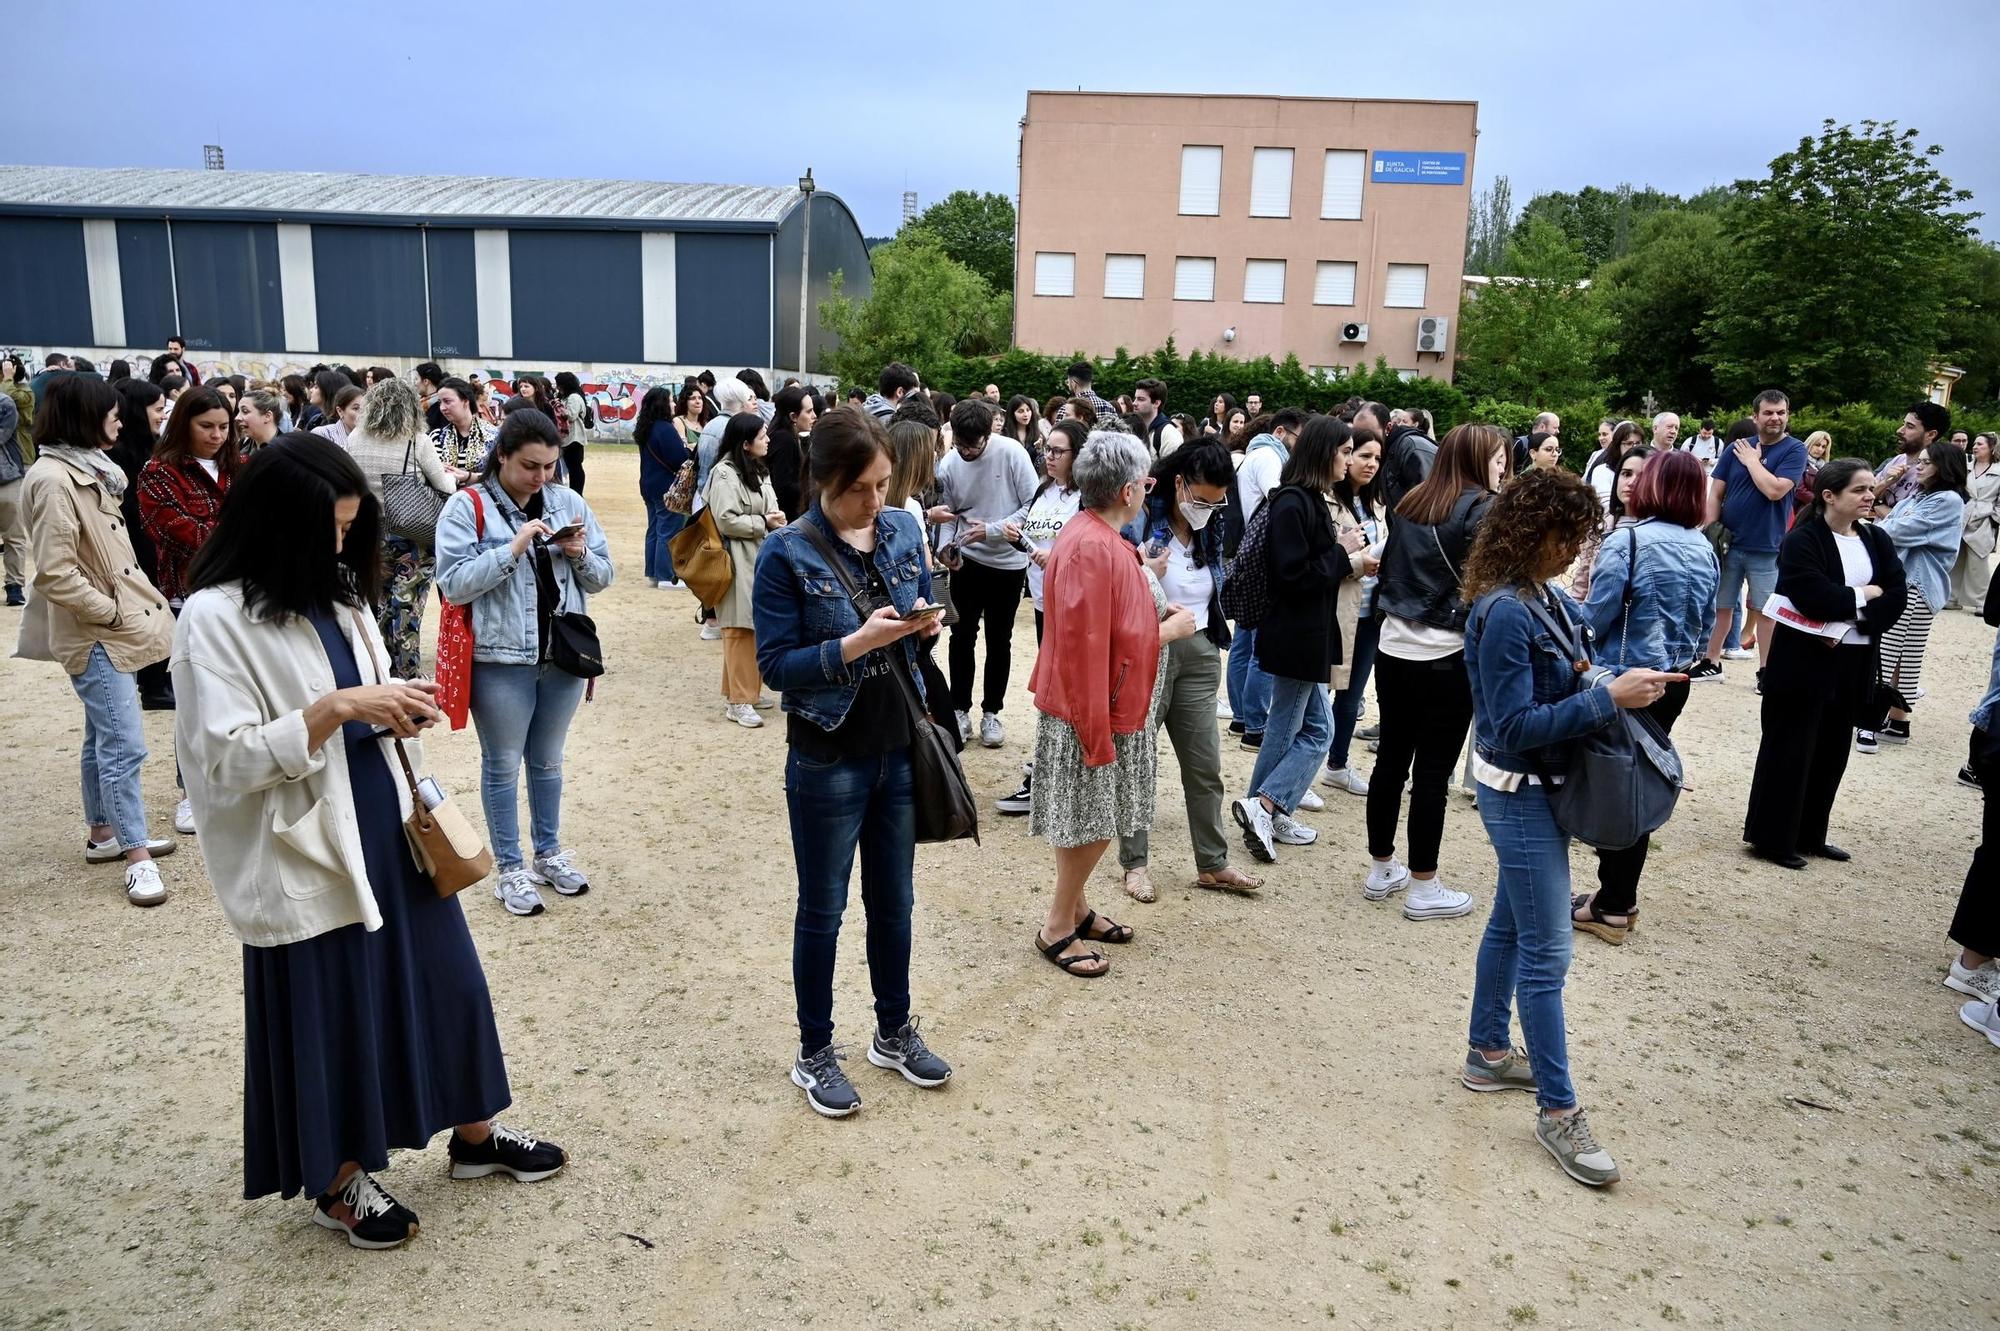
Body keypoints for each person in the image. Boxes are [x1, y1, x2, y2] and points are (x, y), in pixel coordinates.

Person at [172, 436, 564, 1247]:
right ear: (280, 524)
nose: (343, 544)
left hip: (390, 824)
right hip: (308, 841)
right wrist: (338, 710)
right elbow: (221, 758)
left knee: (448, 981)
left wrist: (398, 710)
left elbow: (363, 702)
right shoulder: (213, 618)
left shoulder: (340, 597)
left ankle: (475, 1135)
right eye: (332, 529)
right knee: (332, 1008)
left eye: (351, 527)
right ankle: (339, 1178)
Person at [1459, 466, 1685, 1189]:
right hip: (1517, 788)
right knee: (1548, 953)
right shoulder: (1505, 611)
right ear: (1532, 532)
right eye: (1567, 536)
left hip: (1538, 788)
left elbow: (1559, 684)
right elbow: (1508, 726)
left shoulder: (1540, 598)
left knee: (1512, 925)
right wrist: (1606, 697)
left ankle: (1488, 1052)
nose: (1574, 550)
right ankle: (1559, 1110)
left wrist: (1620, 678)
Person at [749, 406, 952, 1117]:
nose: (876, 500)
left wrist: (924, 623)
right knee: (824, 909)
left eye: (884, 483)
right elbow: (775, 667)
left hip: (897, 744)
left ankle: (893, 1032)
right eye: (862, 487)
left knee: (894, 902)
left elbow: (910, 635)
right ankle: (814, 1051)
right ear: (825, 479)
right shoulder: (787, 553)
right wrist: (856, 644)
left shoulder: (900, 528)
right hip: (827, 753)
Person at [435, 409, 613, 916]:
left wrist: (577, 553)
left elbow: (603, 576)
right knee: (502, 763)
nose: (542, 477)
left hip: (563, 654)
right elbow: (453, 583)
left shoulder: (567, 501)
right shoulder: (467, 505)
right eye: (530, 466)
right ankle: (510, 869)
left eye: (550, 465)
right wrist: (511, 549)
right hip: (500, 658)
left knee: (549, 760)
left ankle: (549, 854)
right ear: (502, 457)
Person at [1029, 431, 1194, 978]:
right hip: (1096, 709)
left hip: (1105, 704)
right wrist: (1167, 631)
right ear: (1128, 490)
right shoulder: (1092, 547)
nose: (1149, 491)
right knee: (1097, 818)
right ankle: (1057, 924)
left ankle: (1073, 908)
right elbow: (1087, 646)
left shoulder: (1096, 536)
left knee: (1087, 817)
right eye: (1146, 482)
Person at [16, 374, 178, 905]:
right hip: (96, 633)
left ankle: (104, 835)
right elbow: (56, 572)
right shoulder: (55, 479)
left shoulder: (88, 470)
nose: (119, 419)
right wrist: (109, 613)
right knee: (123, 743)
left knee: (101, 737)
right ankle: (135, 855)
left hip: (108, 627)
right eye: (110, 412)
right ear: (84, 416)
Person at [1569, 450, 1718, 943]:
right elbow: (1705, 627)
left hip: (1626, 680)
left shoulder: (1628, 540)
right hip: (1675, 681)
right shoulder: (1703, 546)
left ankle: (1614, 901)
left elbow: (1596, 616)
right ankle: (1612, 895)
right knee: (1635, 776)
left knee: (1618, 784)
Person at [1364, 424, 1507, 920]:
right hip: (1447, 650)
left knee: (1392, 760)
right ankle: (1424, 885)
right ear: (1475, 460)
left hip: (1395, 644)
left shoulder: (1410, 502)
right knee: (1431, 771)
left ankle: (1382, 866)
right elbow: (1493, 580)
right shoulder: (1483, 509)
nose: (1502, 465)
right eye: (1496, 457)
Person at [1120, 441, 1262, 898]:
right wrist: (1144, 570)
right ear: (1179, 483)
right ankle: (1134, 863)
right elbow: (1113, 577)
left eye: (1216, 500)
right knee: (1139, 761)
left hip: (1201, 648)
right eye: (1201, 498)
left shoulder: (1214, 521)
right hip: (1152, 648)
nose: (1208, 508)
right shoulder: (1141, 513)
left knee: (1205, 765)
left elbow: (1221, 572)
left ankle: (1213, 863)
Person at [1756, 460, 1910, 873]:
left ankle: (1811, 833)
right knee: (1792, 746)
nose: (1869, 497)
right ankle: (1774, 837)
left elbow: (1896, 595)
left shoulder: (1875, 539)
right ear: (1830, 495)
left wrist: (1855, 612)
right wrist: (1865, 594)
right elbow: (1814, 597)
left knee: (1832, 747)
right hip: (1804, 660)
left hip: (1854, 657)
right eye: (1860, 490)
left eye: (1871, 489)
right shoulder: (1803, 539)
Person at [1230, 418, 1364, 864]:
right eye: (1345, 451)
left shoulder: (1307, 500)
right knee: (1301, 731)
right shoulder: (1294, 502)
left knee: (1307, 729)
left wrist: (1342, 555)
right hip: (1296, 634)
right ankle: (1265, 807)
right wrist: (1343, 553)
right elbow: (1292, 575)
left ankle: (1267, 808)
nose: (1349, 459)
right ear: (1324, 452)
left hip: (1307, 634)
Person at [929, 398, 1037, 748]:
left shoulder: (1012, 453)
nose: (966, 451)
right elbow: (951, 514)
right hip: (968, 561)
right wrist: (947, 549)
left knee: (999, 639)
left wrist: (991, 529)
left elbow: (1031, 507)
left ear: (989, 432)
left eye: (973, 445)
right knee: (961, 637)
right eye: (960, 444)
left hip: (1008, 563)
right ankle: (960, 709)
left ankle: (993, 712)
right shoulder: (949, 463)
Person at [992, 419, 1086, 818]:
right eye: (1046, 449)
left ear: (1077, 456)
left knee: (1064, 690)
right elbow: (1037, 539)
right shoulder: (1043, 490)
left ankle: (1055, 776)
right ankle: (1051, 771)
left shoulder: (1084, 497)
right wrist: (1018, 536)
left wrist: (1059, 556)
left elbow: (1093, 547)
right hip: (1045, 603)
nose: (1048, 456)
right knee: (1051, 688)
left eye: (1057, 451)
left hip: (1074, 605)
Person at [345, 379, 460, 680]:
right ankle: (407, 670)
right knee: (408, 605)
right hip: (413, 534)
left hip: (369, 531)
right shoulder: (416, 440)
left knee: (379, 601)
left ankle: (381, 668)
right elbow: (443, 485)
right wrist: (453, 477)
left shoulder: (356, 437)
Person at [1688, 391, 1807, 684]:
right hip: (1729, 541)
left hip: (1766, 544)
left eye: (1780, 412)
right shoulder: (1736, 449)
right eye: (1768, 412)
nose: (1775, 418)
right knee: (1721, 604)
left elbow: (1776, 490)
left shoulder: (1794, 450)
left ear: (1788, 415)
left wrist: (1753, 461)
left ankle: (1767, 670)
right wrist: (1710, 531)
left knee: (1765, 610)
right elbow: (1715, 492)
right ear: (1755, 416)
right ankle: (1711, 661)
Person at [1859, 439, 1967, 752]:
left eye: (1925, 462)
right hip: (1913, 584)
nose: (1917, 466)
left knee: (1888, 652)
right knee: (1904, 656)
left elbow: (1898, 529)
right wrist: (1887, 522)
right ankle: (1899, 720)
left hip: (1917, 585)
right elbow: (1892, 523)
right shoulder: (1921, 496)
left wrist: (1872, 526)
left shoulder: (1947, 499)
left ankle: (1869, 722)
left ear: (1944, 467)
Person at [1226, 408, 1304, 751]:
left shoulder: (1253, 454)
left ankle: (1242, 716)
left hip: (1247, 555)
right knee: (1259, 647)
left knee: (1243, 643)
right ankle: (1255, 725)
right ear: (1283, 432)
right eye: (1300, 438)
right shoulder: (1270, 458)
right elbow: (1281, 502)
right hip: (1263, 561)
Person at [704, 412, 784, 726]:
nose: (768, 439)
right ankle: (739, 700)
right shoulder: (725, 473)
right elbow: (725, 519)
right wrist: (763, 522)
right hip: (736, 558)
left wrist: (773, 520)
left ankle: (746, 691)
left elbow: (769, 505)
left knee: (754, 626)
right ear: (746, 442)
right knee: (739, 629)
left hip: (758, 556)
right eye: (763, 435)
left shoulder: (756, 469)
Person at [1323, 428, 1390, 796]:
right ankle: (1303, 767)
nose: (1370, 464)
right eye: (1363, 455)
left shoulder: (1377, 502)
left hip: (1371, 612)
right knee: (1319, 692)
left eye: (1377, 458)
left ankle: (1337, 762)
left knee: (1352, 695)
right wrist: (1358, 563)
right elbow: (1323, 559)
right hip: (1337, 609)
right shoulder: (1329, 500)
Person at [111, 380, 174, 710]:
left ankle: (159, 680)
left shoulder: (150, 445)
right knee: (148, 612)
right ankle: (153, 684)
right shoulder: (119, 454)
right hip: (136, 546)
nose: (163, 416)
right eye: (158, 409)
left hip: (153, 543)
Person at [635, 385, 690, 589]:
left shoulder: (646, 427)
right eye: (670, 400)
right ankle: (667, 576)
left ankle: (654, 572)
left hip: (648, 484)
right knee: (668, 529)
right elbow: (678, 459)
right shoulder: (665, 428)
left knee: (655, 529)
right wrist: (687, 449)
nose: (674, 403)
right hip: (666, 486)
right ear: (662, 405)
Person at [1873, 402, 1945, 518]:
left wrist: (1876, 504)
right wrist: (1885, 482)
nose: (1900, 430)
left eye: (1910, 426)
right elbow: (1865, 496)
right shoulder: (1898, 460)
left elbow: (1907, 521)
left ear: (1931, 434)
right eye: (1903, 424)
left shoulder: (1934, 472)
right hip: (1878, 534)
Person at [0, 354, 32, 607]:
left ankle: (14, 585)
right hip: (10, 475)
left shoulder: (6, 402)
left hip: (8, 477)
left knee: (14, 535)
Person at [1955, 433, 2000, 611]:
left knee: (1978, 561)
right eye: (1974, 443)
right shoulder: (1965, 466)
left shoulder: (1998, 470)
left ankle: (1981, 602)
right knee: (1956, 557)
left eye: (1980, 444)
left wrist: (1994, 517)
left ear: (1991, 447)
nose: (1975, 446)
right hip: (1963, 514)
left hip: (1984, 518)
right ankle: (1951, 597)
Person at [768, 384, 816, 521]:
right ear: (793, 416)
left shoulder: (787, 436)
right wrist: (812, 487)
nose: (814, 416)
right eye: (809, 411)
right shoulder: (783, 440)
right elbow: (783, 486)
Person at [428, 377, 492, 478]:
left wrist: (470, 477)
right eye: (440, 402)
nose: (442, 408)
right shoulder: (436, 436)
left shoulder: (491, 436)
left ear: (465, 401)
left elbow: (502, 476)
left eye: (447, 401)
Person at [554, 371, 590, 495]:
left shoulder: (574, 397)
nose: (557, 387)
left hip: (574, 438)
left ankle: (577, 493)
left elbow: (571, 415)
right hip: (567, 438)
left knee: (575, 468)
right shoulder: (566, 397)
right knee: (571, 467)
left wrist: (557, 407)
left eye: (559, 384)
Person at [1132, 377, 1182, 457]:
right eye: (1135, 398)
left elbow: (1172, 468)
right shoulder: (1132, 429)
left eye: (1140, 399)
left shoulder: (1169, 434)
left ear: (1156, 403)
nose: (1134, 403)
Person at [1062, 360, 1121, 425]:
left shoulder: (1066, 410)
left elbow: (1057, 433)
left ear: (1073, 384)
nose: (1067, 384)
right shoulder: (1109, 407)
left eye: (1068, 382)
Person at [1793, 430, 1832, 522]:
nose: (1820, 449)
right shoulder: (1799, 461)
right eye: (1817, 445)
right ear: (1810, 443)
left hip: (1820, 510)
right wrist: (1821, 502)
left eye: (1823, 447)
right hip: (1800, 511)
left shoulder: (1824, 466)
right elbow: (1799, 490)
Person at [237, 387, 283, 455]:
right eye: (239, 412)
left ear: (267, 416)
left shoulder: (284, 451)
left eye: (245, 411)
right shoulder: (243, 444)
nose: (237, 418)